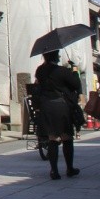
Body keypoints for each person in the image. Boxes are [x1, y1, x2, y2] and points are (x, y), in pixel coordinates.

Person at [34, 50, 82, 180]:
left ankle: (54, 171)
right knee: (66, 137)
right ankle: (69, 168)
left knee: (52, 138)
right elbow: (76, 84)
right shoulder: (62, 71)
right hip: (61, 106)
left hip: (46, 106)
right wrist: (74, 70)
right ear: (56, 56)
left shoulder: (40, 70)